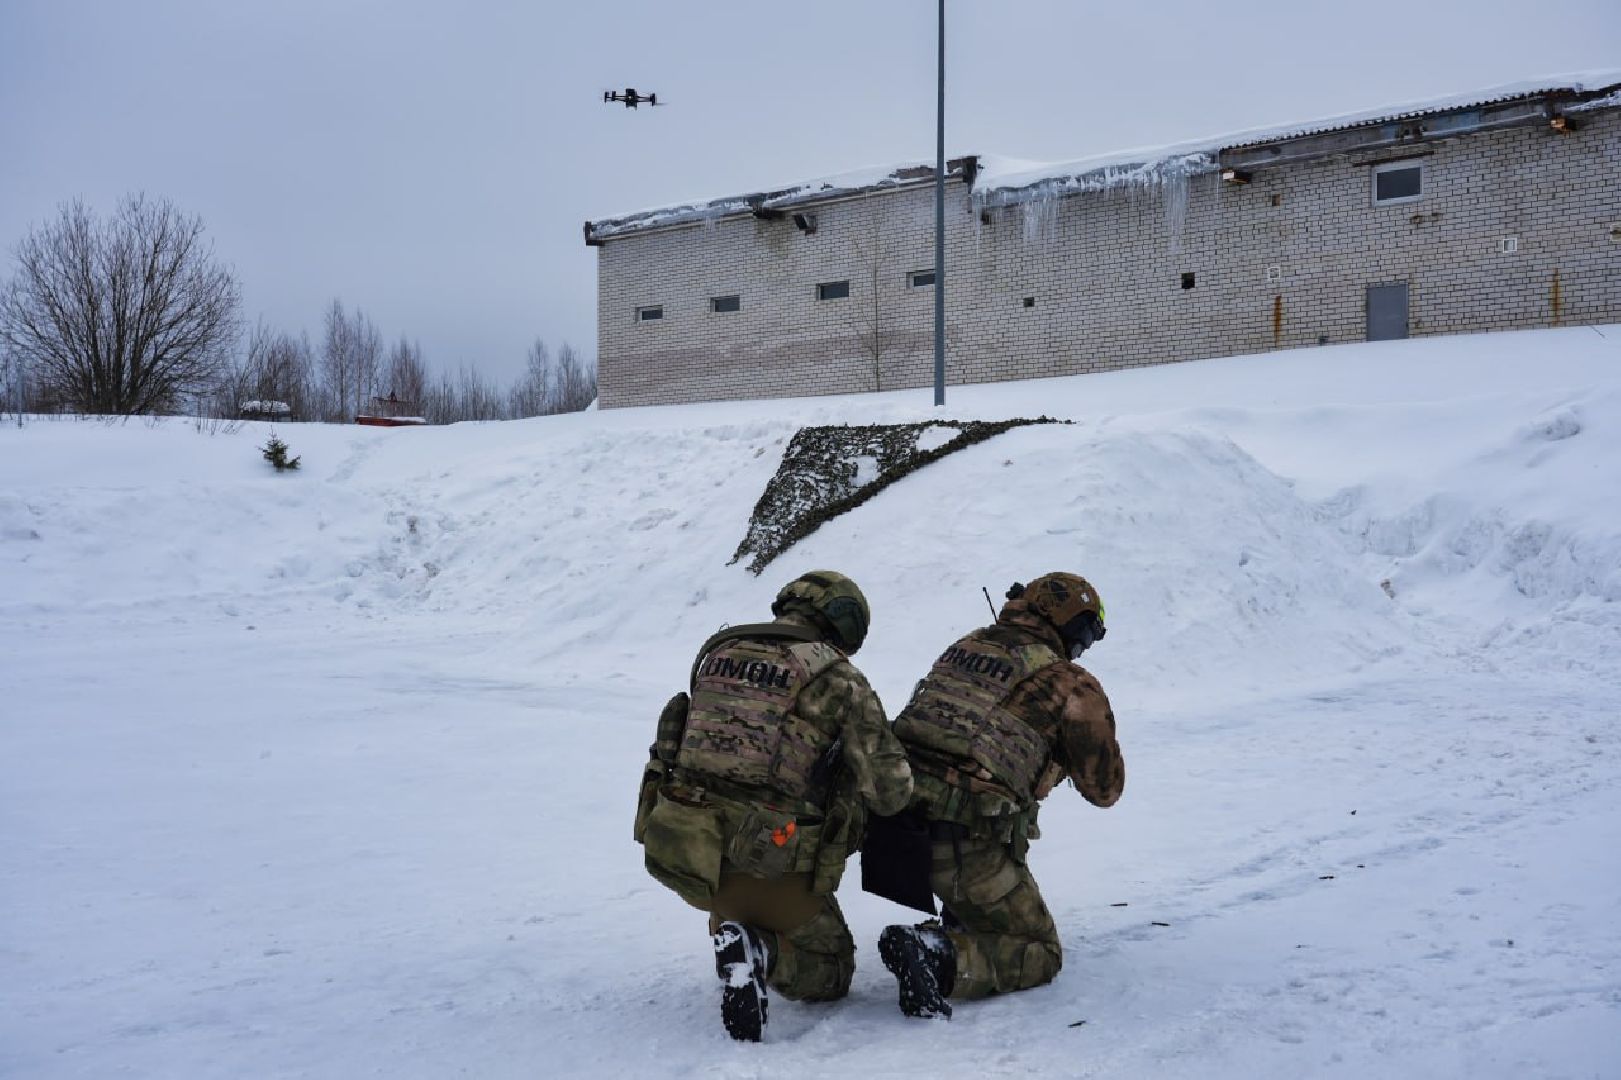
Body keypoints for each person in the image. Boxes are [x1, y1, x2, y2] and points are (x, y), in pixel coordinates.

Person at [634, 570, 913, 1042]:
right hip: (770, 863)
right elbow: (889, 793)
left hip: (690, 851)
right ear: (845, 624)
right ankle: (760, 950)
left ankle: (737, 927)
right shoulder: (839, 678)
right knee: (832, 970)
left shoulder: (717, 654)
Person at [876, 572, 1125, 1019]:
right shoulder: (1070, 683)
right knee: (1039, 950)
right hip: (961, 845)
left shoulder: (967, 646)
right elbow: (1105, 789)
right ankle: (937, 954)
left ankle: (962, 919)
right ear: (1071, 629)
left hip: (891, 830)